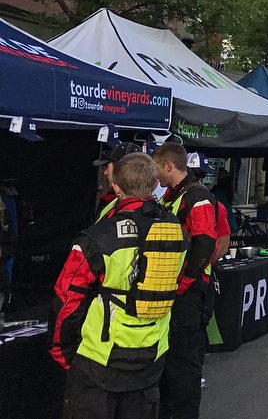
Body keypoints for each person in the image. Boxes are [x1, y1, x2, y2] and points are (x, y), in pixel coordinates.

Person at [51, 153, 188, 419]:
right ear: (154, 183)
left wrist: (61, 350)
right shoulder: (176, 231)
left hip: (99, 360)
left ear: (116, 186)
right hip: (152, 356)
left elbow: (67, 298)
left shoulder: (98, 236)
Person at [154, 142, 218, 419]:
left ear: (169, 166)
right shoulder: (170, 196)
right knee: (168, 369)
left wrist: (184, 283)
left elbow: (205, 242)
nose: (155, 174)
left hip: (189, 296)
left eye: (157, 167)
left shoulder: (197, 196)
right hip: (171, 294)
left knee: (184, 372)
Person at [92, 142, 142, 222]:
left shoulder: (138, 208)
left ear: (120, 168)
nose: (105, 172)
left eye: (107, 167)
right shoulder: (111, 201)